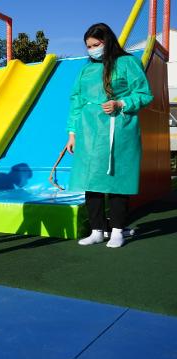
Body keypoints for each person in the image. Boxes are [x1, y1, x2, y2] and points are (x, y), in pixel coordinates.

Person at [65, 23, 153, 248]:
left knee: (117, 179)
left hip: (119, 129)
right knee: (90, 179)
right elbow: (76, 101)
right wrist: (72, 133)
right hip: (89, 131)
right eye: (89, 46)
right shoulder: (86, 70)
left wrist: (121, 103)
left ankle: (117, 231)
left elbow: (144, 94)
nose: (92, 49)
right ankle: (97, 229)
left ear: (108, 41)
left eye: (96, 44)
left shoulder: (128, 63)